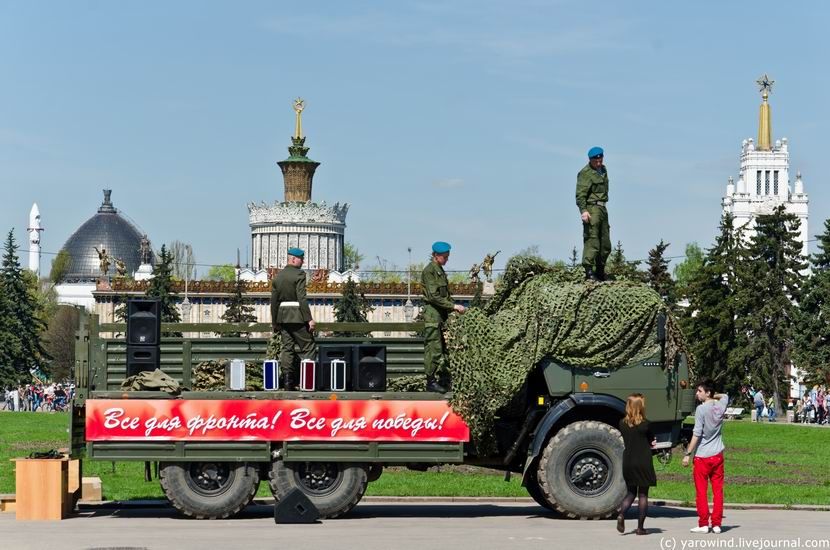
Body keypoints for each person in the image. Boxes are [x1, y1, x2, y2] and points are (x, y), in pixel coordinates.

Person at [682, 380, 729, 534]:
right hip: (718, 455)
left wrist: (688, 453)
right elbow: (725, 396)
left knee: (701, 492)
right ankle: (716, 524)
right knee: (718, 491)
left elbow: (696, 434)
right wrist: (715, 395)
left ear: (708, 393)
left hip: (702, 456)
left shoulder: (701, 409)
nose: (697, 393)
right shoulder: (721, 405)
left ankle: (703, 523)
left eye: (700, 391)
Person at [421, 241, 466, 393]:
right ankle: (430, 382)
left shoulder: (439, 270)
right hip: (433, 316)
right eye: (445, 257)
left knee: (446, 349)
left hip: (442, 315)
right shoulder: (430, 271)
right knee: (434, 349)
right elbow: (433, 297)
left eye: (447, 257)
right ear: (436, 255)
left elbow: (445, 295)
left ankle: (445, 380)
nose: (447, 260)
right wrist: (453, 306)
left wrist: (454, 307)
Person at [270, 248, 316, 390]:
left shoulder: (278, 276)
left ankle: (288, 382)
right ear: (294, 259)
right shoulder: (299, 274)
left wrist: (275, 322)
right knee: (308, 347)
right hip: (297, 316)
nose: (303, 262)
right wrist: (309, 319)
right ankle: (307, 381)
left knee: (287, 349)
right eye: (301, 259)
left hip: (283, 318)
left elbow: (274, 301)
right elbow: (301, 297)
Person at [616, 393, 657, 536]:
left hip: (628, 461)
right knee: (643, 495)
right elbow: (652, 441)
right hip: (643, 461)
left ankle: (621, 514)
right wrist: (652, 442)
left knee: (630, 493)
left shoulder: (622, 423)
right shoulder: (646, 424)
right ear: (641, 407)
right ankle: (640, 528)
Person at [575, 146, 611, 281]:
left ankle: (600, 270)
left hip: (603, 208)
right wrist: (583, 211)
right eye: (595, 161)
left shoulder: (603, 170)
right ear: (590, 160)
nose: (598, 162)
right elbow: (580, 195)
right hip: (592, 208)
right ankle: (589, 271)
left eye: (600, 159)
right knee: (592, 239)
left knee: (605, 242)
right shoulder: (585, 173)